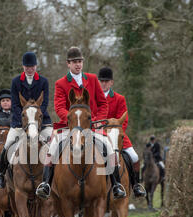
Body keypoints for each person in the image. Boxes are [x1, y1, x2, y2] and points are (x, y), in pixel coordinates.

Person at [35, 47, 126, 200]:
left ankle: (116, 184)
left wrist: (96, 121)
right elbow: (59, 107)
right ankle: (46, 184)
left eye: (79, 61)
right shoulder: (61, 83)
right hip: (69, 125)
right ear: (68, 64)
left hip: (91, 125)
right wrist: (71, 120)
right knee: (53, 147)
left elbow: (103, 104)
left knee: (109, 146)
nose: (77, 65)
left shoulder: (92, 79)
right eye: (74, 62)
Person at [0, 52, 53, 188]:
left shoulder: (43, 81)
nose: (30, 69)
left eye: (32, 66)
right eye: (27, 67)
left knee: (53, 145)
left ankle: (52, 178)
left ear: (36, 66)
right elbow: (15, 104)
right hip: (20, 122)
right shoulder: (16, 81)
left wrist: (36, 117)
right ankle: (0, 175)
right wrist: (25, 121)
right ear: (23, 67)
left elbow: (45, 103)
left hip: (41, 121)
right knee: (7, 145)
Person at [97, 67, 146, 198]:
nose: (104, 83)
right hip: (98, 136)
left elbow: (124, 120)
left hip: (117, 136)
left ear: (112, 82)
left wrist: (115, 134)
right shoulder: (93, 99)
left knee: (134, 157)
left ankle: (136, 185)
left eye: (106, 81)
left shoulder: (119, 99)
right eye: (101, 81)